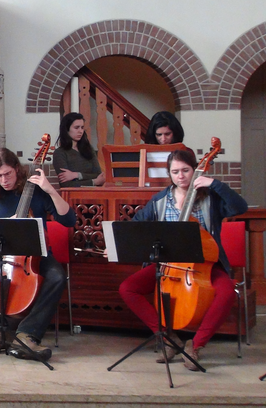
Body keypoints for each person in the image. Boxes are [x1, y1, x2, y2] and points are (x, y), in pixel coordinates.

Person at [117, 148, 247, 370]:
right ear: (169, 173)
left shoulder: (210, 198)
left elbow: (240, 207)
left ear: (195, 170)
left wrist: (214, 183)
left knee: (226, 292)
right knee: (128, 288)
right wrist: (121, 245)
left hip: (205, 264)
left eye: (186, 170)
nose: (181, 176)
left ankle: (195, 345)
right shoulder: (160, 200)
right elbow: (137, 226)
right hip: (168, 264)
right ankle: (167, 338)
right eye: (175, 171)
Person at [0, 148, 76, 362]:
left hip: (36, 256)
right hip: (2, 257)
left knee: (56, 276)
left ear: (17, 169)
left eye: (7, 174)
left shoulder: (37, 191)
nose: (4, 180)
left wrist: (50, 190)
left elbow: (68, 220)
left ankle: (28, 333)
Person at [52, 112, 104, 188]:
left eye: (82, 127)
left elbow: (98, 175)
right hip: (73, 194)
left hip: (93, 192)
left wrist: (76, 175)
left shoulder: (88, 149)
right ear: (67, 129)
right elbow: (66, 184)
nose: (80, 131)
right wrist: (94, 181)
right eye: (76, 128)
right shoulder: (60, 153)